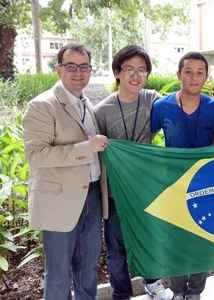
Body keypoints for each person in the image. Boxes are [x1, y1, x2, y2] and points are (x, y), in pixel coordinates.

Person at [23, 43, 109, 300]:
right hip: (59, 202)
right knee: (59, 274)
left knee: (87, 270)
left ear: (91, 71)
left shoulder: (87, 104)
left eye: (84, 67)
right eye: (71, 66)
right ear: (58, 69)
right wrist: (86, 147)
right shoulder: (42, 105)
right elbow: (36, 156)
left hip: (92, 196)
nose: (78, 72)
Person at [95, 45, 172, 300]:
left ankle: (153, 283)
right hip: (116, 193)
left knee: (150, 240)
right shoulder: (102, 111)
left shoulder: (152, 100)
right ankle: (121, 293)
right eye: (129, 69)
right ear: (117, 72)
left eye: (142, 70)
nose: (136, 75)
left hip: (146, 188)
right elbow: (98, 152)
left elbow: (178, 109)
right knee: (117, 248)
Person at [151, 51, 214, 300]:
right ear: (178, 74)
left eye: (199, 72)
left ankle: (195, 292)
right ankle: (178, 290)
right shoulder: (161, 107)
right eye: (188, 72)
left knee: (201, 240)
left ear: (206, 76)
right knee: (175, 242)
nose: (194, 77)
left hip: (205, 185)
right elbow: (146, 142)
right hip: (173, 185)